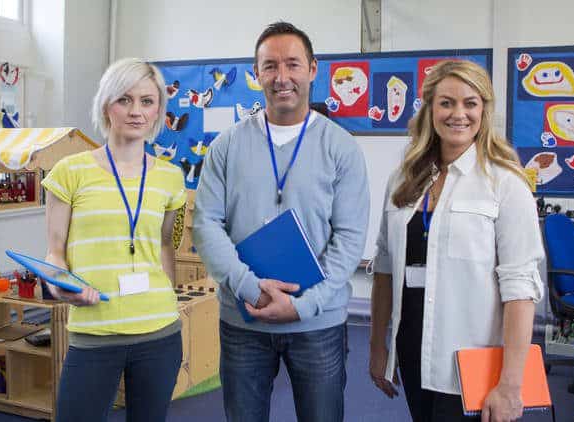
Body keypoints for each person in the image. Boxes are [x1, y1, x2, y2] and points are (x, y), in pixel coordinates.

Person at [192, 21, 369, 422]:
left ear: (313, 69)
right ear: (256, 75)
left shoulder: (340, 146)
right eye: (270, 66)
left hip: (318, 325)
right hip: (243, 322)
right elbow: (206, 225)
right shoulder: (226, 145)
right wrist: (250, 288)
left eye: (292, 64)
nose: (282, 77)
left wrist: (305, 305)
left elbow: (350, 237)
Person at [369, 60, 544, 422]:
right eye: (446, 103)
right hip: (414, 350)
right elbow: (385, 268)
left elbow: (520, 291)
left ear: (484, 109)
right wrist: (376, 347)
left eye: (470, 103)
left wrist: (511, 384)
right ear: (430, 108)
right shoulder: (404, 179)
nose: (458, 114)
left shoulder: (505, 184)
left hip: (473, 362)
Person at [42, 58, 187, 421]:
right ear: (106, 105)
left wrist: (171, 296)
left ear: (158, 110)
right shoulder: (69, 172)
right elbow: (54, 253)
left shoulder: (171, 177)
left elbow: (165, 243)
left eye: (147, 101)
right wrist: (60, 285)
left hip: (159, 331)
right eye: (124, 100)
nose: (136, 111)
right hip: (94, 332)